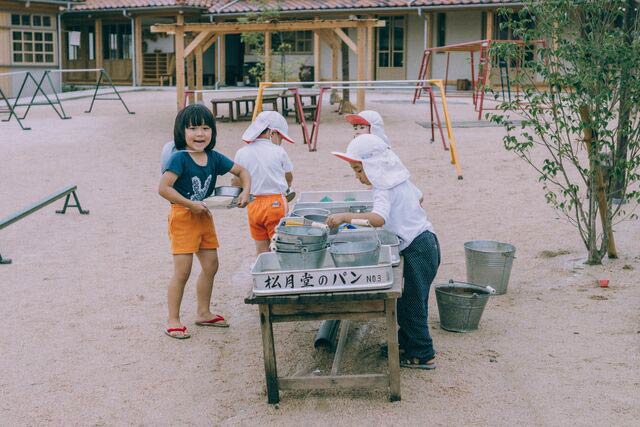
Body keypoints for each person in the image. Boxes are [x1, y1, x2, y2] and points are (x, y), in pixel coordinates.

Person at [327, 134, 440, 369]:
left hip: (417, 248)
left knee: (412, 304)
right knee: (410, 299)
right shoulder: (399, 179)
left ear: (373, 166)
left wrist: (346, 217)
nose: (357, 176)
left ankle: (423, 353)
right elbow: (420, 198)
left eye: (358, 170)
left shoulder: (382, 187)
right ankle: (407, 343)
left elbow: (378, 219)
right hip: (427, 241)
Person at [159, 104, 251, 339]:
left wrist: (244, 192)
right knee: (183, 271)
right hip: (183, 217)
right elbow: (164, 188)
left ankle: (203, 312)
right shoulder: (179, 158)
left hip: (204, 217)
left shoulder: (213, 157)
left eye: (205, 128)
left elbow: (243, 172)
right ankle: (173, 319)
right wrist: (190, 204)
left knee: (211, 265)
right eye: (193, 129)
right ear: (182, 132)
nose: (200, 134)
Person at [233, 111, 295, 254]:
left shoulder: (242, 152)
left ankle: (263, 272)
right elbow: (289, 175)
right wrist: (288, 187)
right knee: (279, 245)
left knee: (261, 247)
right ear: (272, 133)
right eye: (281, 137)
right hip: (275, 202)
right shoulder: (279, 151)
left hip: (253, 203)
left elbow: (236, 180)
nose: (281, 141)